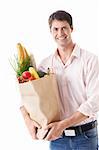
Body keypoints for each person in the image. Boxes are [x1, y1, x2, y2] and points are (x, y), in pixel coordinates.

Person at [20, 10, 99, 150]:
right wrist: (27, 119)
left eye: (64, 28)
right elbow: (30, 96)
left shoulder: (90, 61)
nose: (60, 33)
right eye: (55, 29)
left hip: (85, 137)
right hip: (58, 139)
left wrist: (63, 124)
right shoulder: (45, 65)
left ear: (72, 29)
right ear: (50, 32)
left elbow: (95, 101)